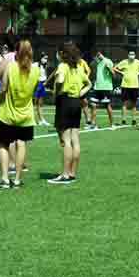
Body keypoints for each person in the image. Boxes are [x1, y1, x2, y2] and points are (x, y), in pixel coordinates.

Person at [0, 40, 39, 189]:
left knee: (4, 144)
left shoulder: (11, 68)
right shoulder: (36, 71)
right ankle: (18, 179)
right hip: (26, 115)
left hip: (8, 113)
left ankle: (5, 178)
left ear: (17, 53)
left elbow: (3, 89)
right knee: (22, 144)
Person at [48, 42, 89, 185]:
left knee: (65, 141)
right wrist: (80, 93)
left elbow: (59, 80)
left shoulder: (62, 66)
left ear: (62, 54)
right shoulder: (78, 67)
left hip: (64, 102)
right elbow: (89, 83)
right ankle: (72, 173)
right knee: (75, 139)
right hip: (76, 103)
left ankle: (65, 174)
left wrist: (56, 92)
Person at [114, 50, 139, 126]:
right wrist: (121, 72)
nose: (131, 55)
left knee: (134, 104)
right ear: (128, 55)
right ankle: (123, 120)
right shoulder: (124, 62)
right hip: (125, 85)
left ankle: (134, 120)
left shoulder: (138, 62)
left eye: (133, 54)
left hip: (135, 85)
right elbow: (115, 68)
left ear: (135, 55)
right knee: (124, 103)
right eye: (130, 54)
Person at [88, 49, 116, 130]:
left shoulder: (108, 61)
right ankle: (93, 124)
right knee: (93, 105)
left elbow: (114, 75)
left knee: (107, 106)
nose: (97, 56)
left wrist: (109, 69)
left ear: (102, 54)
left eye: (99, 54)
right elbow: (91, 67)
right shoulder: (96, 62)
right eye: (97, 55)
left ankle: (112, 124)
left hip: (106, 87)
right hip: (97, 87)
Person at [33, 55, 50, 126]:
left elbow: (45, 75)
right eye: (44, 58)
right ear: (40, 58)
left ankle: (41, 120)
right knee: (34, 102)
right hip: (37, 84)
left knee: (40, 103)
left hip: (43, 84)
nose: (45, 60)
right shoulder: (35, 64)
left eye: (46, 58)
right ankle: (32, 119)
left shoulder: (45, 65)